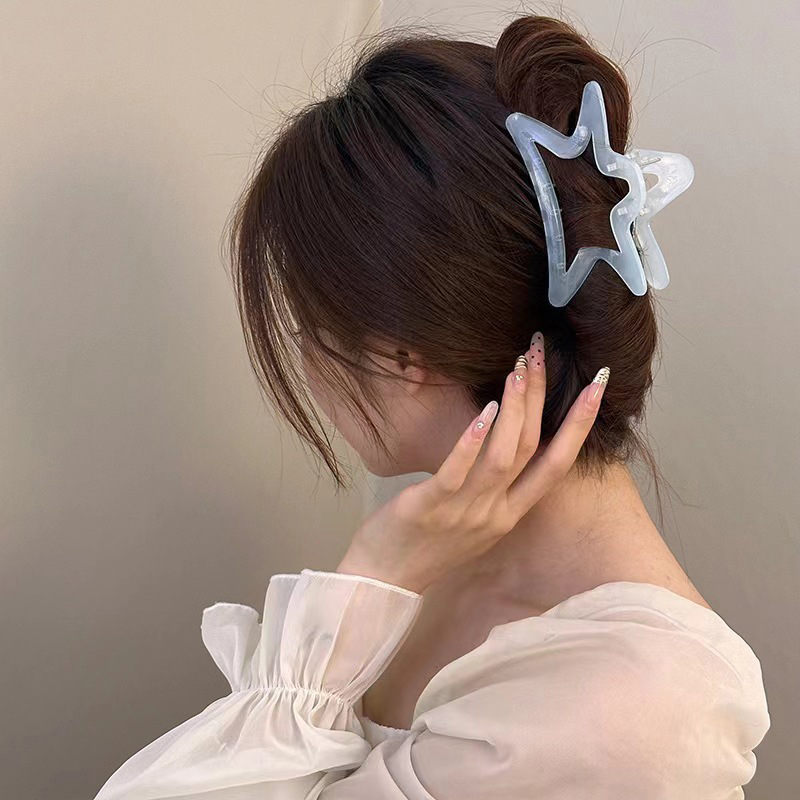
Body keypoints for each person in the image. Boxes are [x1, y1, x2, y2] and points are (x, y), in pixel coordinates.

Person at [93, 13, 770, 800]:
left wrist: (370, 577)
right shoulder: (446, 548)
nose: (305, 366)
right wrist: (381, 574)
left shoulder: (638, 711)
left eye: (309, 329)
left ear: (399, 357)